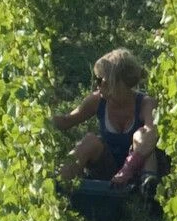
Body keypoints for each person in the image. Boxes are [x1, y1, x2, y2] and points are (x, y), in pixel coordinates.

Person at [53, 48, 159, 186]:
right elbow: (66, 121)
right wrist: (38, 117)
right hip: (108, 169)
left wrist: (128, 169)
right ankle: (58, 184)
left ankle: (148, 188)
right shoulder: (97, 100)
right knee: (90, 140)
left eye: (100, 79)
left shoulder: (146, 103)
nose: (96, 84)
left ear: (117, 82)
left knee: (143, 135)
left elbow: (152, 133)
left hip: (138, 172)